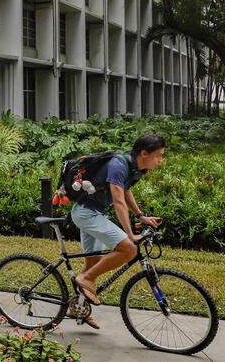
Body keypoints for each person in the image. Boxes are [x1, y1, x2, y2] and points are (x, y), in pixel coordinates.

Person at [68, 133, 166, 328]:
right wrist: (129, 234)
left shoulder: (134, 168)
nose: (161, 160)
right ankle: (86, 279)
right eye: (159, 155)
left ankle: (77, 307)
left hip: (94, 213)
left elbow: (126, 190)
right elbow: (118, 200)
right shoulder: (118, 165)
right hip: (86, 214)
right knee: (129, 249)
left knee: (93, 263)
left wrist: (140, 216)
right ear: (144, 153)